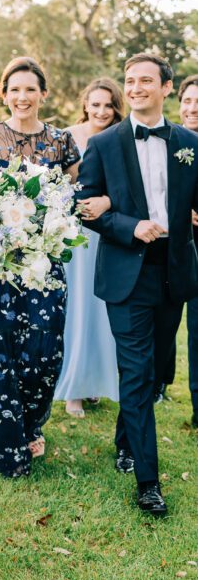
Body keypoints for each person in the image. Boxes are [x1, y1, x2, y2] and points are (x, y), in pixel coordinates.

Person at [79, 53, 198, 518]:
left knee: (156, 369)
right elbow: (85, 207)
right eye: (130, 81)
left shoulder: (189, 142)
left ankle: (125, 439)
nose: (136, 87)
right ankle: (147, 481)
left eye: (146, 80)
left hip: (174, 271)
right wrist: (130, 226)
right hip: (127, 271)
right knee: (136, 369)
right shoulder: (104, 144)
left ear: (166, 87)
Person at [0, 56, 80, 477]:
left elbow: (71, 201)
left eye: (30, 89)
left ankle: (31, 424)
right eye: (14, 90)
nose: (22, 97)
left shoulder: (62, 142)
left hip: (46, 267)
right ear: (4, 94)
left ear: (43, 93)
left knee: (43, 351)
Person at [55, 78, 124, 416]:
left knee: (100, 309)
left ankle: (95, 380)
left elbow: (129, 189)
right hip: (72, 231)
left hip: (106, 232)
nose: (100, 111)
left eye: (108, 105)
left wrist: (106, 203)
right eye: (95, 104)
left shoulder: (121, 138)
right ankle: (73, 388)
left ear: (116, 108)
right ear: (85, 104)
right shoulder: (66, 136)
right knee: (77, 306)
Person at [146, 73, 198, 424]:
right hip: (179, 250)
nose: (193, 108)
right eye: (189, 101)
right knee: (181, 322)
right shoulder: (172, 140)